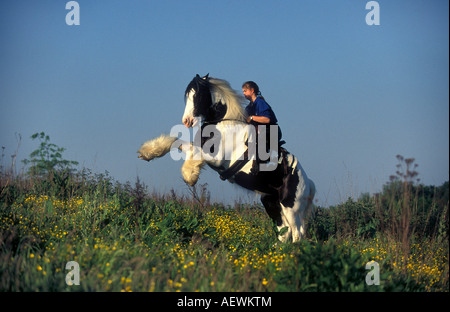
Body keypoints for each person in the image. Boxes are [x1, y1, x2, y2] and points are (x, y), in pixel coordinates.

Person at [242, 81, 284, 173]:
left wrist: (252, 118)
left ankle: (259, 166)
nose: (243, 93)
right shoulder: (249, 107)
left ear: (252, 90)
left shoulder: (260, 102)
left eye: (245, 91)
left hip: (271, 130)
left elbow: (267, 120)